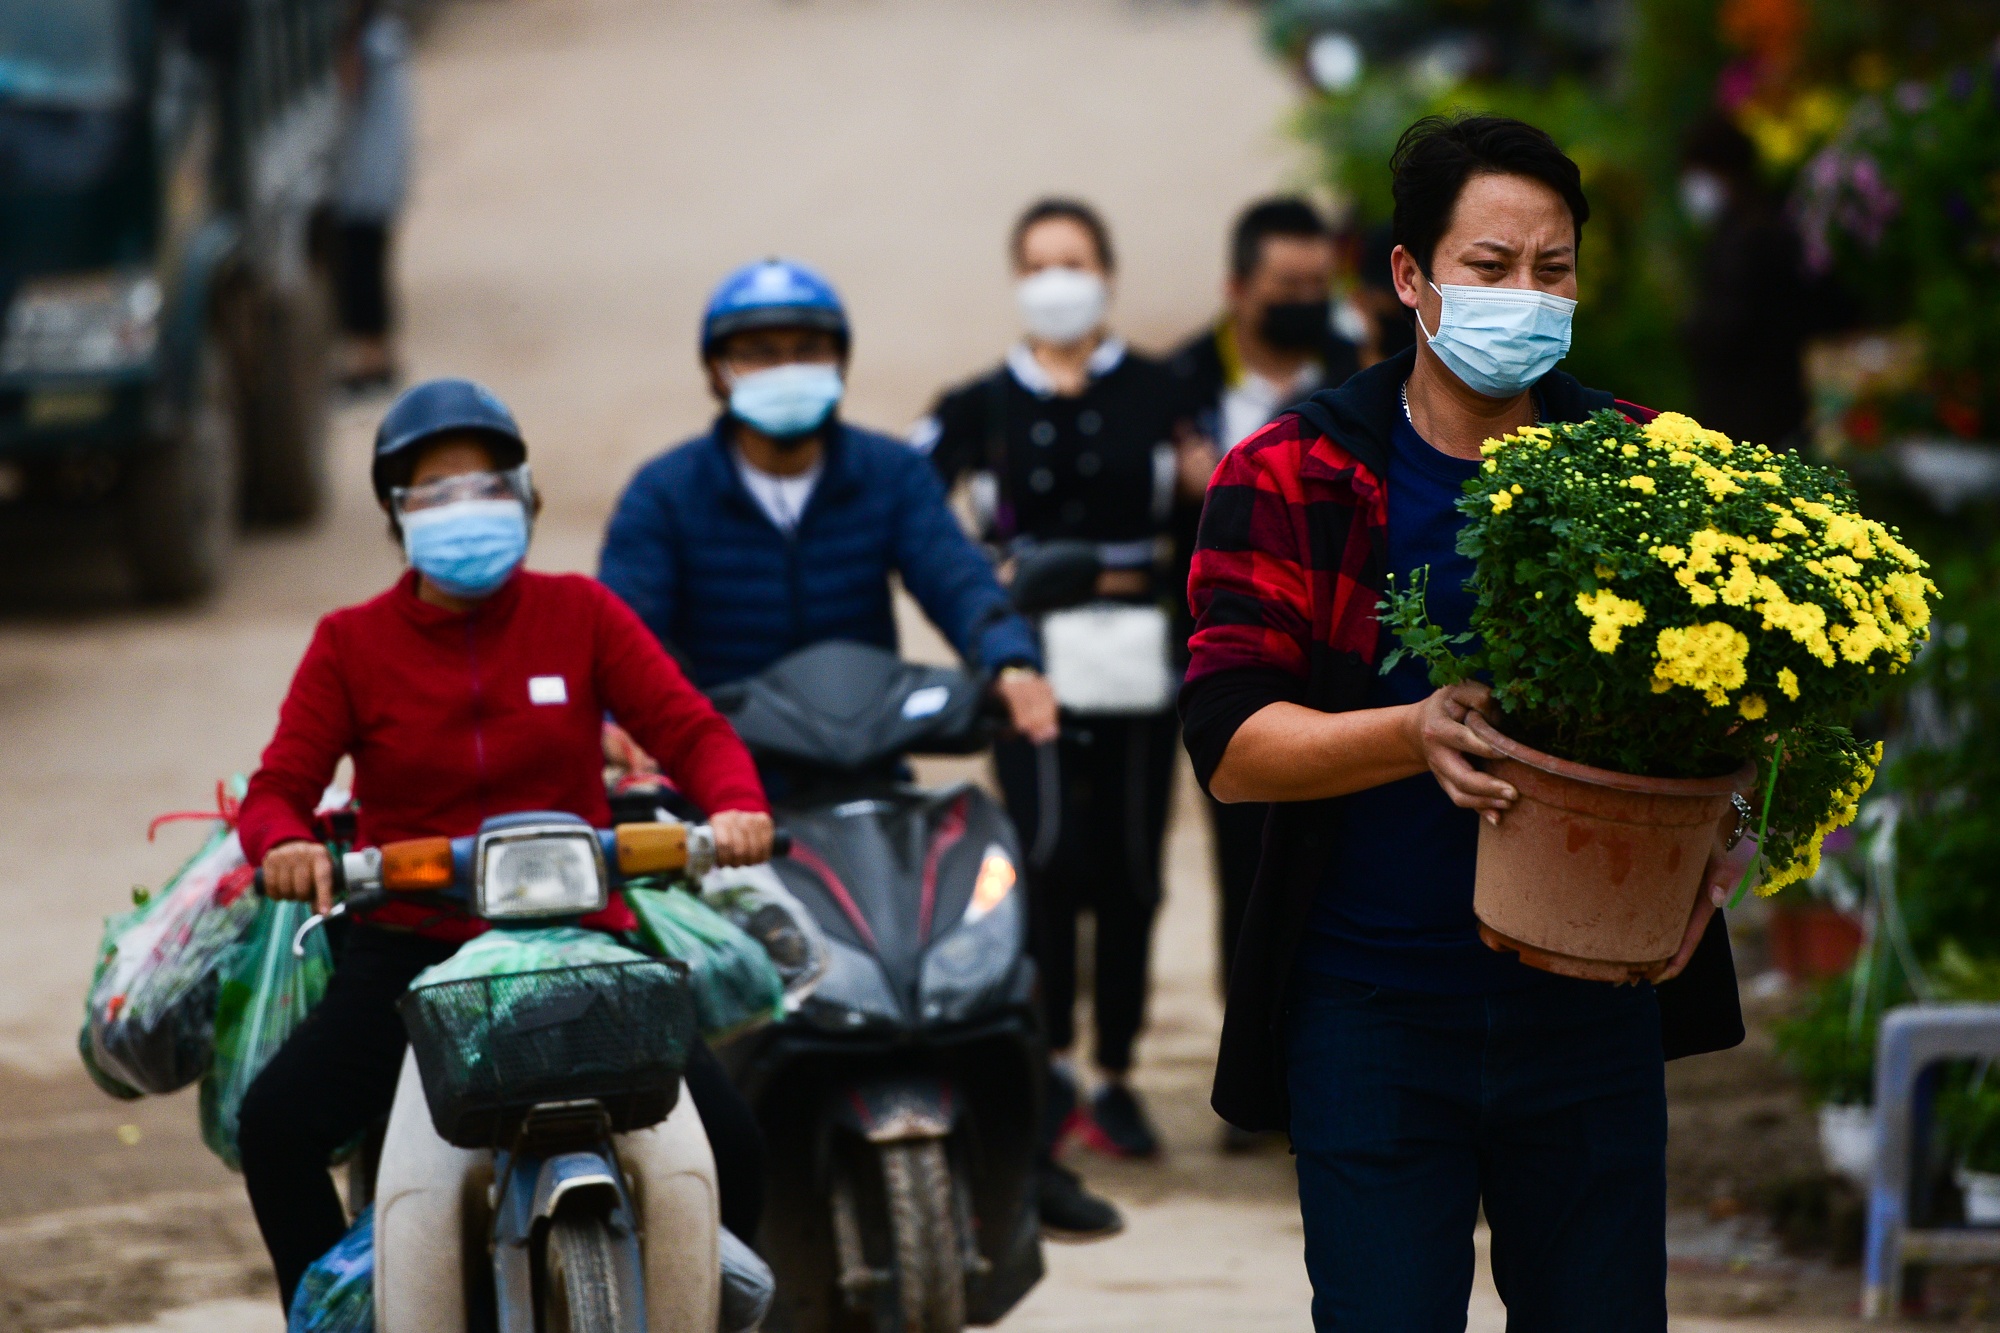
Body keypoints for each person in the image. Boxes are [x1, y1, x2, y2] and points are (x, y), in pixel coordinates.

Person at [1180, 115, 1748, 1330]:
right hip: (1371, 1012)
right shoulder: (1290, 473)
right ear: (1408, 276)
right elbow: (1229, 746)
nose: (1523, 297)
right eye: (1489, 267)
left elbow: (1743, 710)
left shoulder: (1650, 468)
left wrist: (1723, 824)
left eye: (1553, 270)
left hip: (1589, 1005)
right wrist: (1410, 733)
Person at [597, 260, 1122, 1240]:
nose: (784, 367)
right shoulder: (665, 493)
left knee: (987, 934)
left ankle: (1022, 1153)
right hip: (726, 801)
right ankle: (675, 1188)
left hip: (871, 777)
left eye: (806, 348)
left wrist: (1009, 660)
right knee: (676, 988)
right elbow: (626, 629)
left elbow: (957, 576)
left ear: (839, 363)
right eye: (759, 351)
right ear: (716, 371)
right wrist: (625, 715)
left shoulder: (886, 473)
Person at [235, 379, 776, 1314]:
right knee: (276, 1125)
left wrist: (735, 806)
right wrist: (286, 843)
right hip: (409, 954)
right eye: (436, 492)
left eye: (486, 486)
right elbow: (279, 787)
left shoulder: (582, 614)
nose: (465, 508)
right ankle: (331, 1312)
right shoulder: (350, 644)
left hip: (581, 947)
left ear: (525, 497)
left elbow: (691, 729)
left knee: (733, 1142)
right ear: (396, 514)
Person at [915, 199, 1206, 1166]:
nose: (1057, 282)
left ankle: (1116, 1071)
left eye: (1074, 261)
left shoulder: (1164, 391)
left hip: (1137, 646)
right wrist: (980, 580)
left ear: (1107, 275)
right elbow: (907, 503)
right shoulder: (979, 402)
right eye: (1038, 265)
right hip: (1027, 650)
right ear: (1016, 280)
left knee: (1131, 861)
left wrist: (1199, 494)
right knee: (1044, 852)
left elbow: (1220, 503)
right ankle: (1048, 1066)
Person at [1164, 197, 1359, 1087]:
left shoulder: (1370, 374)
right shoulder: (1177, 383)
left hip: (1344, 656)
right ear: (1237, 287)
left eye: (1318, 284)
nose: (1304, 301)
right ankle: (1259, 1058)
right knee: (1244, 858)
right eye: (1287, 284)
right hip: (1232, 658)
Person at [1679, 113, 1850, 449]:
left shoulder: (1746, 236)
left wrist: (1692, 329)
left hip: (1752, 407)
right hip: (1775, 400)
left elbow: (1731, 323)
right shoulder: (1765, 221)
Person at [331, 0, 412, 390]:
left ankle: (372, 355)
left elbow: (348, 85)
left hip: (365, 180)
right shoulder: (384, 37)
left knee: (363, 255)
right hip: (379, 176)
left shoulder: (371, 43)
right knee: (370, 255)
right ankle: (376, 353)